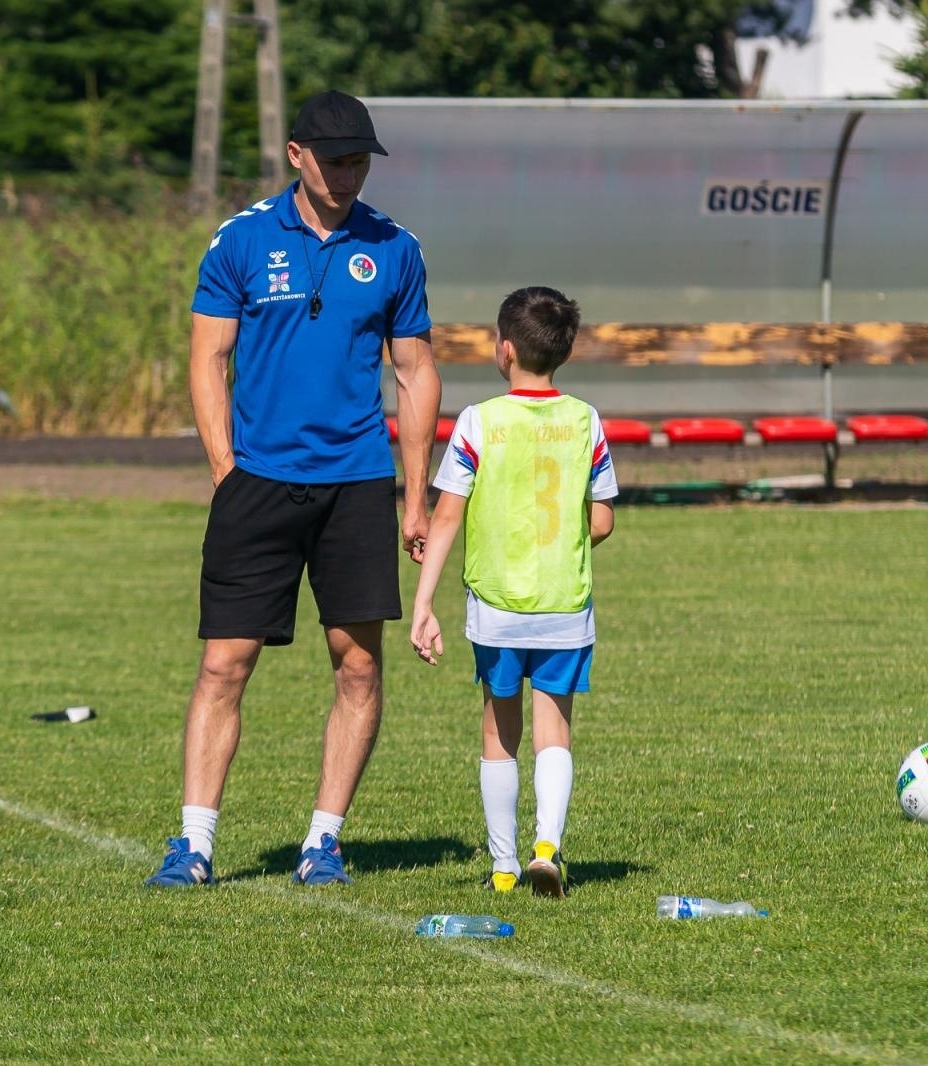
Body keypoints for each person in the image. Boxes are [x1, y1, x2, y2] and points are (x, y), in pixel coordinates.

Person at [145, 90, 442, 888]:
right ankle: (195, 844)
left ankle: (324, 841)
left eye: (359, 161)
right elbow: (208, 357)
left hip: (355, 485)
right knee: (223, 665)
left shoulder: (396, 248)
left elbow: (413, 372)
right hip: (257, 485)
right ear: (296, 155)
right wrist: (224, 469)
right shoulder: (241, 240)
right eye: (334, 159)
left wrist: (416, 496)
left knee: (357, 667)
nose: (347, 175)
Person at [408, 286, 617, 897]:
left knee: (500, 729)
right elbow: (601, 521)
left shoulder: (479, 422)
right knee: (555, 727)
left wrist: (423, 604)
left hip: (497, 610)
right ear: (565, 353)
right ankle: (546, 848)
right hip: (564, 607)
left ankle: (502, 867)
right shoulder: (585, 420)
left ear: (504, 351)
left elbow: (446, 517)